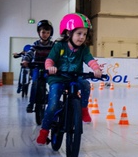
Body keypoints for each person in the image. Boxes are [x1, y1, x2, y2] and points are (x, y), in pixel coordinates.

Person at [36, 13, 102, 145]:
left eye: (84, 34)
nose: (82, 37)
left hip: (74, 77)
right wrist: (50, 67)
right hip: (58, 78)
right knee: (53, 105)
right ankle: (44, 131)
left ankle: (83, 108)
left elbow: (89, 60)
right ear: (68, 33)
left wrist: (96, 69)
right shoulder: (59, 46)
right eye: (79, 33)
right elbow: (50, 59)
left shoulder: (83, 49)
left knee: (85, 85)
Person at [22, 20, 55, 112]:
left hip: (48, 68)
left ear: (50, 33)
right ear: (39, 33)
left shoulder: (53, 45)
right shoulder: (36, 44)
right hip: (37, 66)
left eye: (48, 32)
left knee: (53, 83)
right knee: (35, 82)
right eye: (43, 32)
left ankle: (53, 101)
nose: (45, 34)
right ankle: (31, 103)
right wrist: (25, 60)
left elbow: (56, 55)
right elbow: (30, 53)